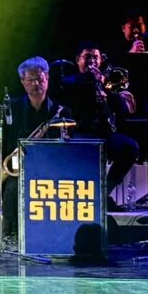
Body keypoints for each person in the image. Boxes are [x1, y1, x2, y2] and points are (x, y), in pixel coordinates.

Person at [0, 57, 69, 243]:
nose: (36, 84)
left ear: (47, 78)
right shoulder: (11, 108)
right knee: (13, 187)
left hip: (50, 166)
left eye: (40, 79)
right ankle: (11, 234)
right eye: (31, 80)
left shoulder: (61, 111)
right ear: (23, 82)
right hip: (17, 165)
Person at [59, 43, 138, 196]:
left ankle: (104, 192)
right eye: (87, 57)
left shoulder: (106, 83)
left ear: (101, 60)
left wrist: (106, 90)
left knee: (130, 147)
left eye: (95, 57)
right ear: (78, 59)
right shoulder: (69, 82)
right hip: (79, 132)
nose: (92, 61)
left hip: (103, 133)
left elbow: (123, 109)